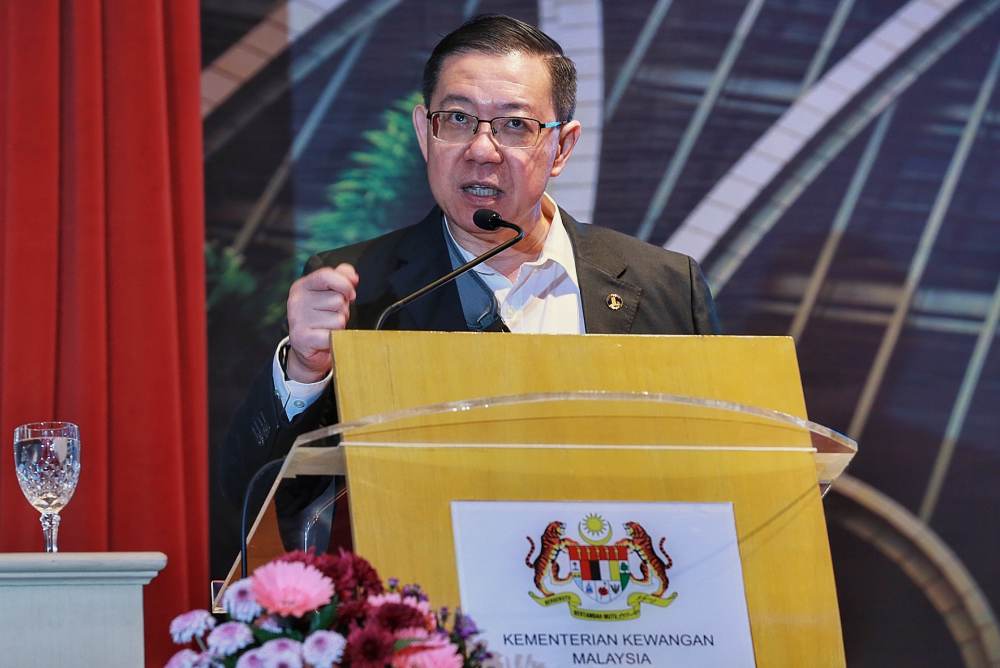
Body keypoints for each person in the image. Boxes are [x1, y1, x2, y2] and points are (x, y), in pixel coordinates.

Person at [221, 14, 720, 528]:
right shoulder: (362, 293)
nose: (482, 150)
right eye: (457, 119)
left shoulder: (665, 287)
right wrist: (305, 372)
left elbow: (723, 481)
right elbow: (257, 502)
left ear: (562, 148)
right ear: (424, 132)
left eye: (515, 125)